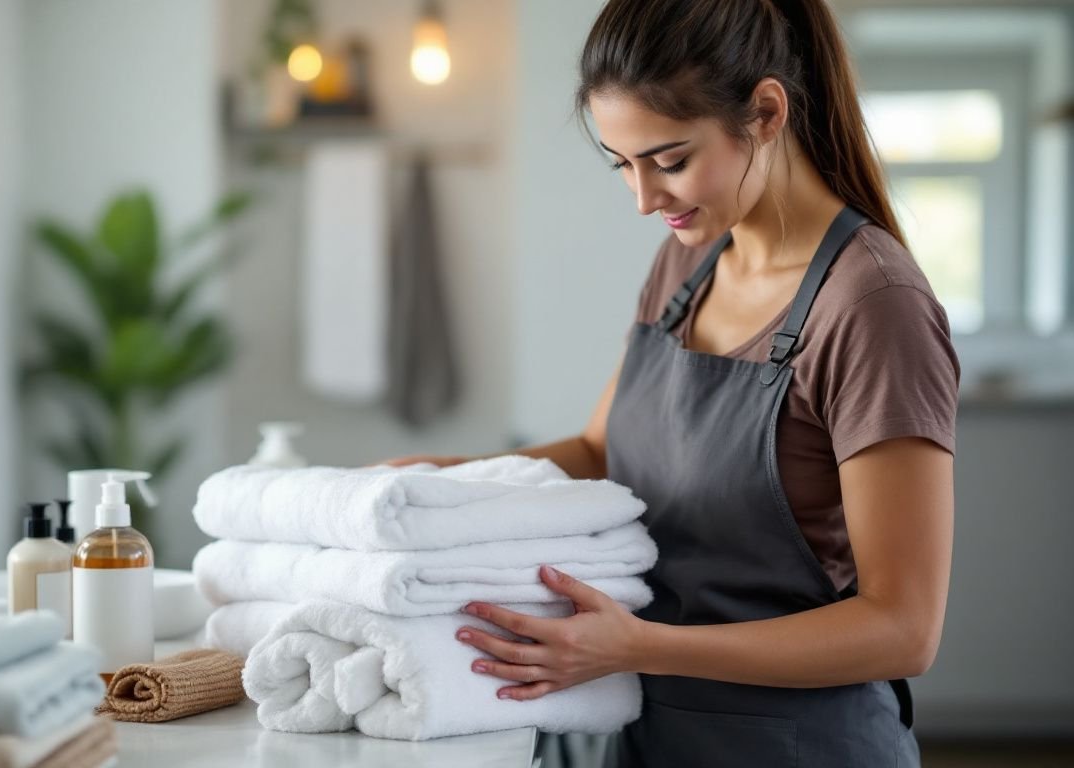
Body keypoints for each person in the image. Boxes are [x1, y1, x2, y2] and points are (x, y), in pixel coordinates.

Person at [385, 0, 959, 764]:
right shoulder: (690, 261)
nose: (644, 199)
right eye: (622, 163)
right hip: (643, 728)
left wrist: (641, 647)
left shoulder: (873, 306)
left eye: (670, 159)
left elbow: (903, 629)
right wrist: (428, 486)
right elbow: (602, 450)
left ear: (764, 112)